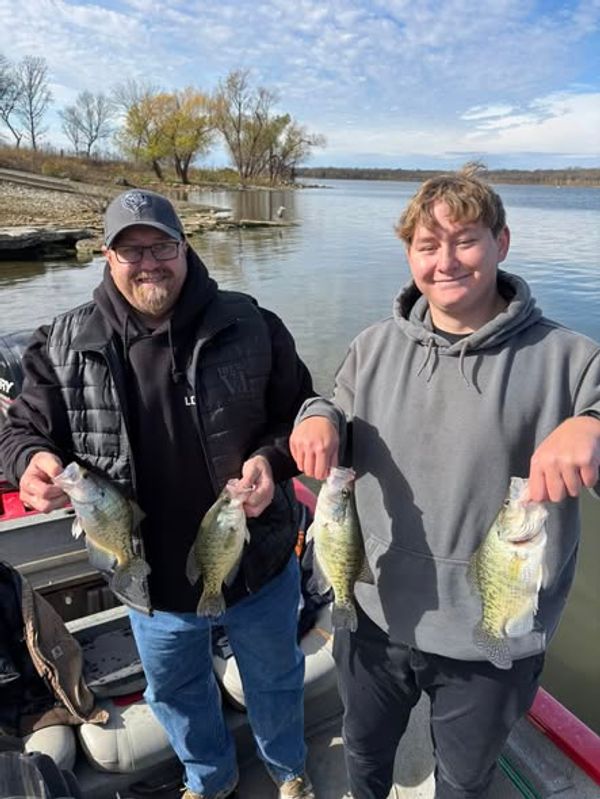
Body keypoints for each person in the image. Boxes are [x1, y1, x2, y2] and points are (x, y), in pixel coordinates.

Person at [289, 167, 600, 799]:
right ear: (410, 254)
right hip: (372, 614)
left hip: (493, 634)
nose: (446, 261)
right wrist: (315, 417)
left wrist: (593, 425)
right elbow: (335, 412)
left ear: (502, 243)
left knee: (464, 780)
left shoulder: (572, 359)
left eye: (466, 240)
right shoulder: (373, 346)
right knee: (366, 756)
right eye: (429, 246)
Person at [0, 189, 317, 799]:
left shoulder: (252, 323)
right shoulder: (61, 344)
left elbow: (297, 415)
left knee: (276, 678)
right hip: (148, 583)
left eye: (161, 246)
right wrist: (30, 462)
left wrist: (269, 461)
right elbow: (21, 430)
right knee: (175, 690)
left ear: (184, 246)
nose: (149, 262)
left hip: (257, 561)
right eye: (130, 249)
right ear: (106, 256)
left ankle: (290, 771)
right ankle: (210, 779)